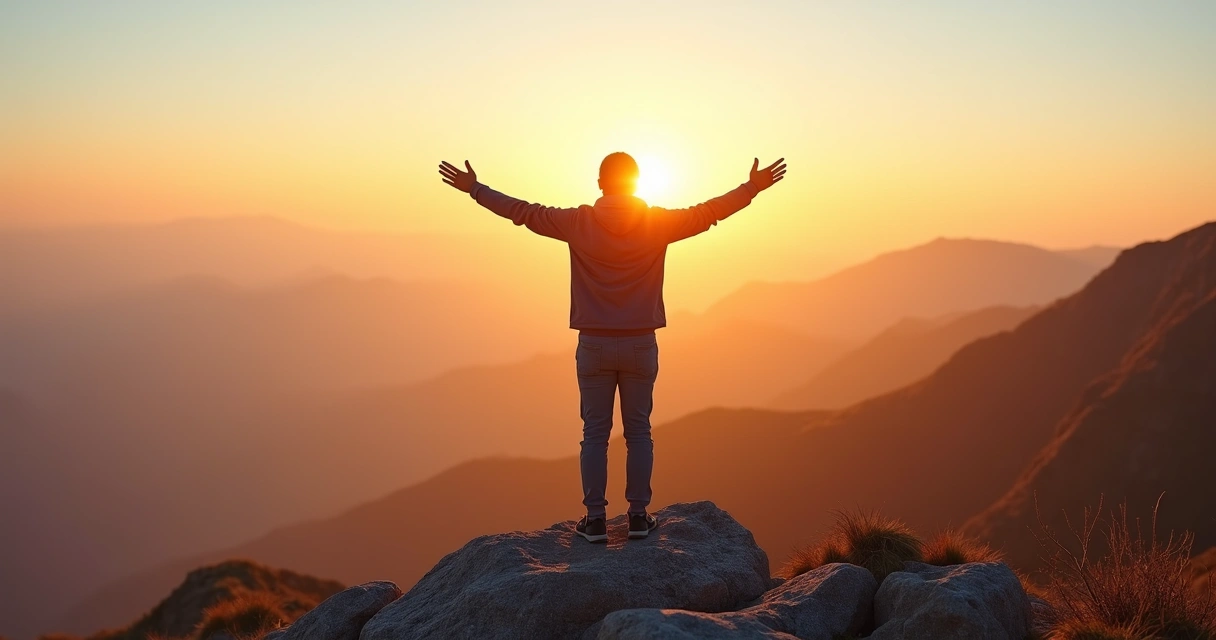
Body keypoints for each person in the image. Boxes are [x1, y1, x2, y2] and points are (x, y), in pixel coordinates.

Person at [437, 152, 787, 542]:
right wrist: (752, 188)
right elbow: (707, 213)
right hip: (640, 342)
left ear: (600, 182)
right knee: (639, 432)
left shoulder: (578, 222)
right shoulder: (656, 223)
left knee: (595, 434)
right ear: (636, 183)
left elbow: (523, 212)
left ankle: (596, 520)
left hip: (594, 345)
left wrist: (476, 190)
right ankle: (638, 517)